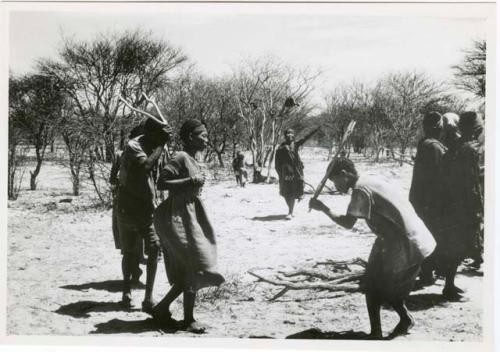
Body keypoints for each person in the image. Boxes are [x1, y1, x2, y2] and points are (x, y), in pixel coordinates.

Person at [309, 158, 436, 339]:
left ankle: (378, 332)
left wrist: (323, 208)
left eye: (335, 181)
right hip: (405, 237)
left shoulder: (360, 190)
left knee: (377, 286)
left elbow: (347, 223)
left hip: (403, 241)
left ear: (344, 175)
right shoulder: (370, 178)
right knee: (376, 283)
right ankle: (399, 321)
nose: (335, 186)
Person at [152, 119, 225, 333]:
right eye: (203, 135)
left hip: (191, 215)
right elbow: (161, 183)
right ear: (191, 137)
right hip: (176, 216)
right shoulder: (180, 157)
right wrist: (189, 182)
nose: (206, 139)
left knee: (194, 266)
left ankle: (166, 310)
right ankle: (185, 317)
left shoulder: (193, 158)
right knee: (195, 265)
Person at [116, 118, 172, 311]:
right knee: (130, 250)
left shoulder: (157, 147)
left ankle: (148, 298)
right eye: (159, 135)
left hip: (147, 206)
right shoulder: (133, 145)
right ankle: (126, 291)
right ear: (150, 134)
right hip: (128, 205)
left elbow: (162, 175)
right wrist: (162, 144)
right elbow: (145, 167)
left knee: (155, 247)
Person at [438, 112, 484, 298]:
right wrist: (478, 208)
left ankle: (450, 284)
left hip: (451, 205)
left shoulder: (454, 148)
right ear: (474, 129)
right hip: (465, 207)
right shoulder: (469, 151)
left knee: (454, 246)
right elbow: (472, 183)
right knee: (460, 246)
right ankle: (448, 287)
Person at [409, 112, 447, 286]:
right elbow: (441, 177)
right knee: (434, 236)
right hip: (432, 201)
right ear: (438, 128)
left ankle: (425, 272)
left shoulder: (424, 144)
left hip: (420, 199)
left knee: (425, 235)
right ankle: (427, 273)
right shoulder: (435, 147)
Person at [110, 125, 147, 285]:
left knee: (141, 241)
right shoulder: (120, 155)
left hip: (144, 202)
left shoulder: (148, 157)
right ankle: (134, 273)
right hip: (124, 201)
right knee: (128, 242)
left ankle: (136, 272)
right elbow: (112, 178)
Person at [275, 127, 319, 219]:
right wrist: (280, 174)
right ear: (285, 136)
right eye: (287, 134)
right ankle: (290, 210)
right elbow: (278, 162)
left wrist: (315, 130)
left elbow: (305, 137)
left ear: (293, 135)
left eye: (291, 134)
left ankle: (290, 211)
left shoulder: (296, 144)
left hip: (296, 172)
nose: (289, 135)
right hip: (286, 173)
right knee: (286, 193)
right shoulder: (281, 147)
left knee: (294, 191)